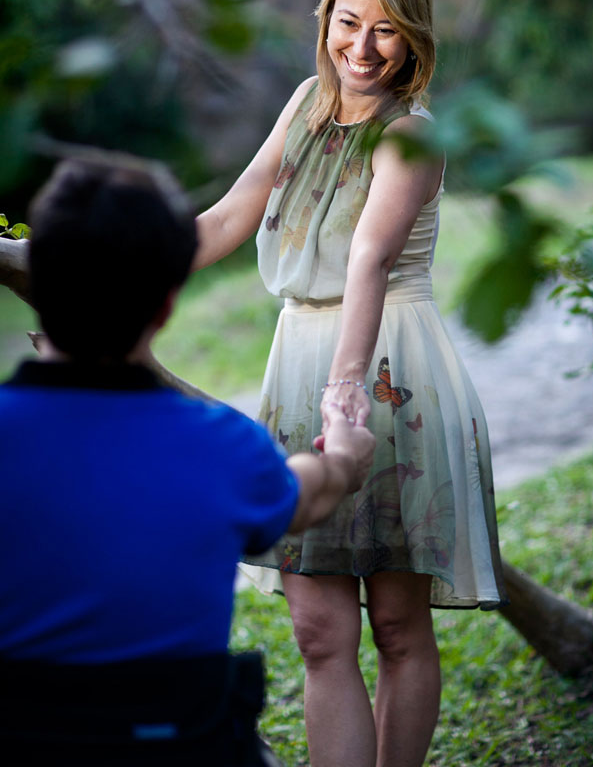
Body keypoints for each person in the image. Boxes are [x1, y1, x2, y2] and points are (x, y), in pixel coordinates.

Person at [194, 0, 508, 767]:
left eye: (386, 30)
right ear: (325, 17)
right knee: (315, 628)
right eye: (347, 22)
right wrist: (106, 270)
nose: (361, 49)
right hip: (299, 366)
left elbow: (368, 259)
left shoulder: (411, 135)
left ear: (414, 39)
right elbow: (227, 219)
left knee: (398, 627)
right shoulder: (303, 104)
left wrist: (345, 404)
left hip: (388, 379)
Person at [0, 155, 375, 761]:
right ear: (166, 306)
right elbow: (307, 493)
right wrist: (345, 455)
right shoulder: (222, 446)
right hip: (179, 741)